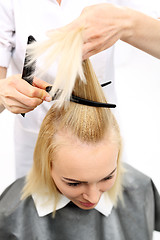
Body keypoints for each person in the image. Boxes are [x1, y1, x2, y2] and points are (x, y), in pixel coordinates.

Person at [0, 36, 159, 239]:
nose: (93, 198)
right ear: (45, 164)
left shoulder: (140, 187)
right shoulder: (12, 211)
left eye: (107, 176)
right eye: (74, 183)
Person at [0, 0, 159, 178]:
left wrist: (128, 23)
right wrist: (3, 93)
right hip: (35, 143)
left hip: (101, 144)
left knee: (105, 200)